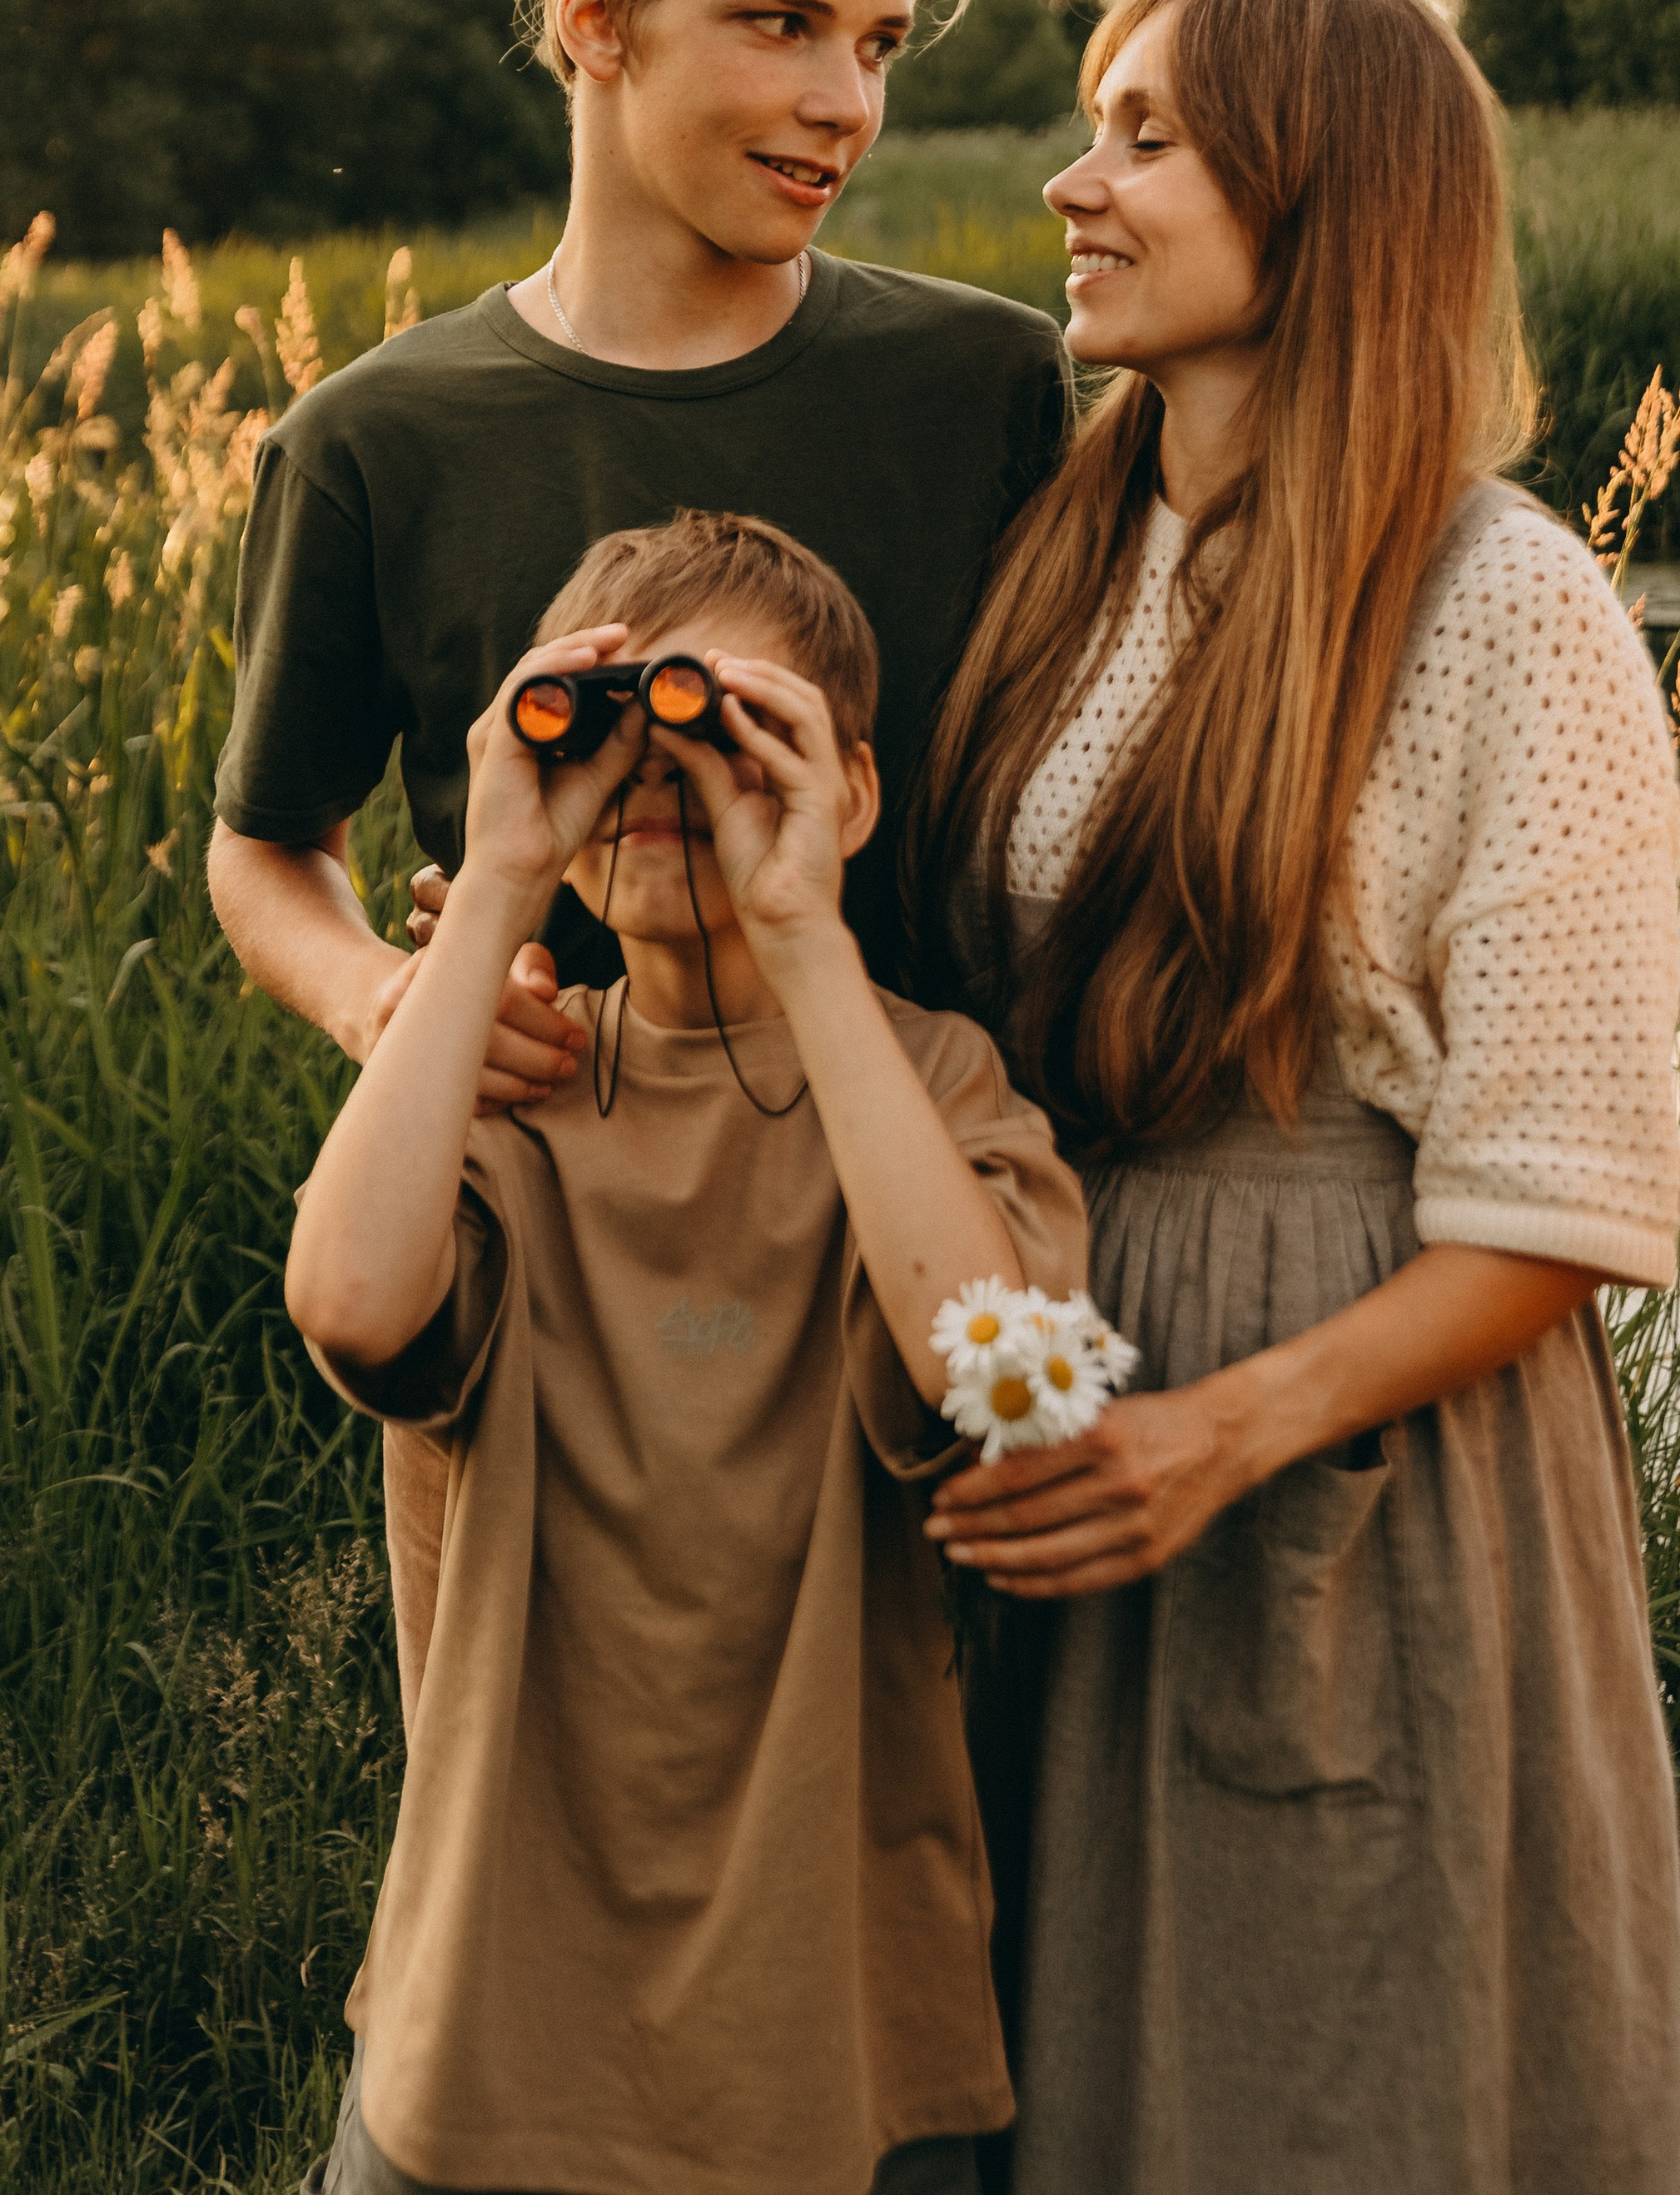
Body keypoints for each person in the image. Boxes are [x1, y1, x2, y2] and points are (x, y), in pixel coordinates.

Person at [910, 0, 1680, 2190]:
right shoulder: (1069, 546)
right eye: (1099, 124)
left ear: (1324, 193)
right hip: (1068, 1377)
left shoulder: (1502, 603)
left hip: (1356, 1436)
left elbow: (1559, 1196)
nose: (1078, 183)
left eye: (1147, 135)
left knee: (1341, 2067)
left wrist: (1216, 1435)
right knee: (1059, 2064)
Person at [208, 0, 1070, 1722]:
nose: (842, 103)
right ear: (594, 22)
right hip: (540, 1271)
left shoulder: (986, 386)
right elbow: (267, 850)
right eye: (778, 25)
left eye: (874, 44)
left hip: (916, 1271)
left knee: (926, 1881)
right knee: (520, 1855)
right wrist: (388, 1004)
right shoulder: (377, 437)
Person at [284, 511, 1086, 2195]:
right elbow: (353, 1304)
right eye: (617, 730)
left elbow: (994, 1379)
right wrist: (499, 868)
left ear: (848, 792)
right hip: (490, 2013)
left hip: (832, 2038)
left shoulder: (933, 1097)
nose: (663, 774)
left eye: (727, 727)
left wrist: (803, 936)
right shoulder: (509, 1088)